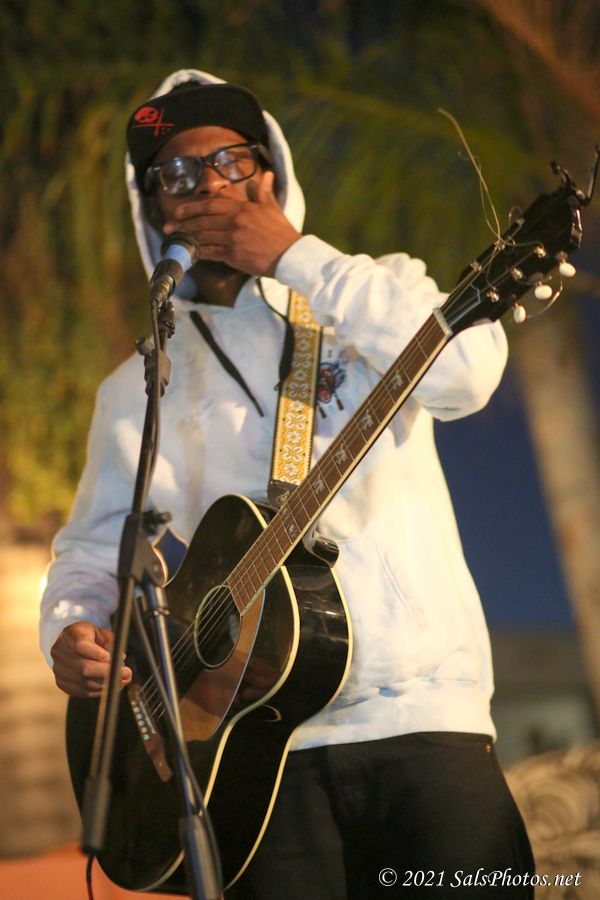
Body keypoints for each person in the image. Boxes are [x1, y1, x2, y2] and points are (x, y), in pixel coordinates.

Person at [40, 69, 534, 898]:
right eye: (174, 174)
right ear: (153, 211)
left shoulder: (375, 290)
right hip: (254, 756)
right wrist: (73, 626)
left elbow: (467, 377)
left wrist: (294, 257)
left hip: (424, 724)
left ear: (268, 175)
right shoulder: (136, 387)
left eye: (227, 161)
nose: (204, 186)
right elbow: (94, 552)